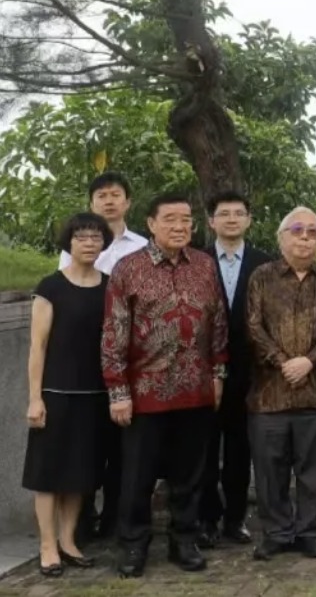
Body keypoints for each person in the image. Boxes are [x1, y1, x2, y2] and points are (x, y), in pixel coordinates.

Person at [101, 193, 228, 578]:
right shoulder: (128, 268)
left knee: (189, 475)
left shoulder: (204, 265)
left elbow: (218, 324)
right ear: (152, 224)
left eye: (186, 219)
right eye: (170, 219)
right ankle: (133, 545)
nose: (179, 226)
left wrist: (218, 375)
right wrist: (118, 392)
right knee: (137, 477)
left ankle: (184, 540)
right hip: (145, 395)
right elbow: (114, 333)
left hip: (196, 391)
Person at [245, 207, 316, 562]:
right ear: (281, 238)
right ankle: (276, 532)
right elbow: (253, 326)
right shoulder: (262, 277)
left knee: (312, 471)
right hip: (269, 393)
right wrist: (283, 361)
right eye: (297, 230)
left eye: (312, 232)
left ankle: (309, 532)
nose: (304, 237)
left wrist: (309, 361)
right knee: (270, 471)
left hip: (314, 392)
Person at [23, 213, 113, 578]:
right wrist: (35, 398)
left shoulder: (110, 287)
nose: (89, 243)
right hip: (55, 393)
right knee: (47, 473)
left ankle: (68, 539)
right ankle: (47, 545)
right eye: (81, 237)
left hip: (95, 395)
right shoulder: (51, 287)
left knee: (80, 472)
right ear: (69, 243)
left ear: (103, 243)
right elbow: (37, 346)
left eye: (95, 237)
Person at [60, 172, 147, 544]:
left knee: (122, 445)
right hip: (84, 355)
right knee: (85, 442)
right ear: (91, 202)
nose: (109, 201)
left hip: (130, 357)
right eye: (101, 195)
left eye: (115, 195)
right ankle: (82, 520)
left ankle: (116, 518)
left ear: (128, 201)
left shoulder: (142, 246)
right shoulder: (74, 247)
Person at [197, 191, 271, 549]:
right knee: (205, 448)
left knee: (241, 448)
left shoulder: (264, 263)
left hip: (248, 371)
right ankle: (207, 518)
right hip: (202, 370)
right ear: (211, 221)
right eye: (223, 213)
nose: (231, 219)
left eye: (238, 213)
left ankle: (235, 518)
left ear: (248, 220)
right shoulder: (196, 261)